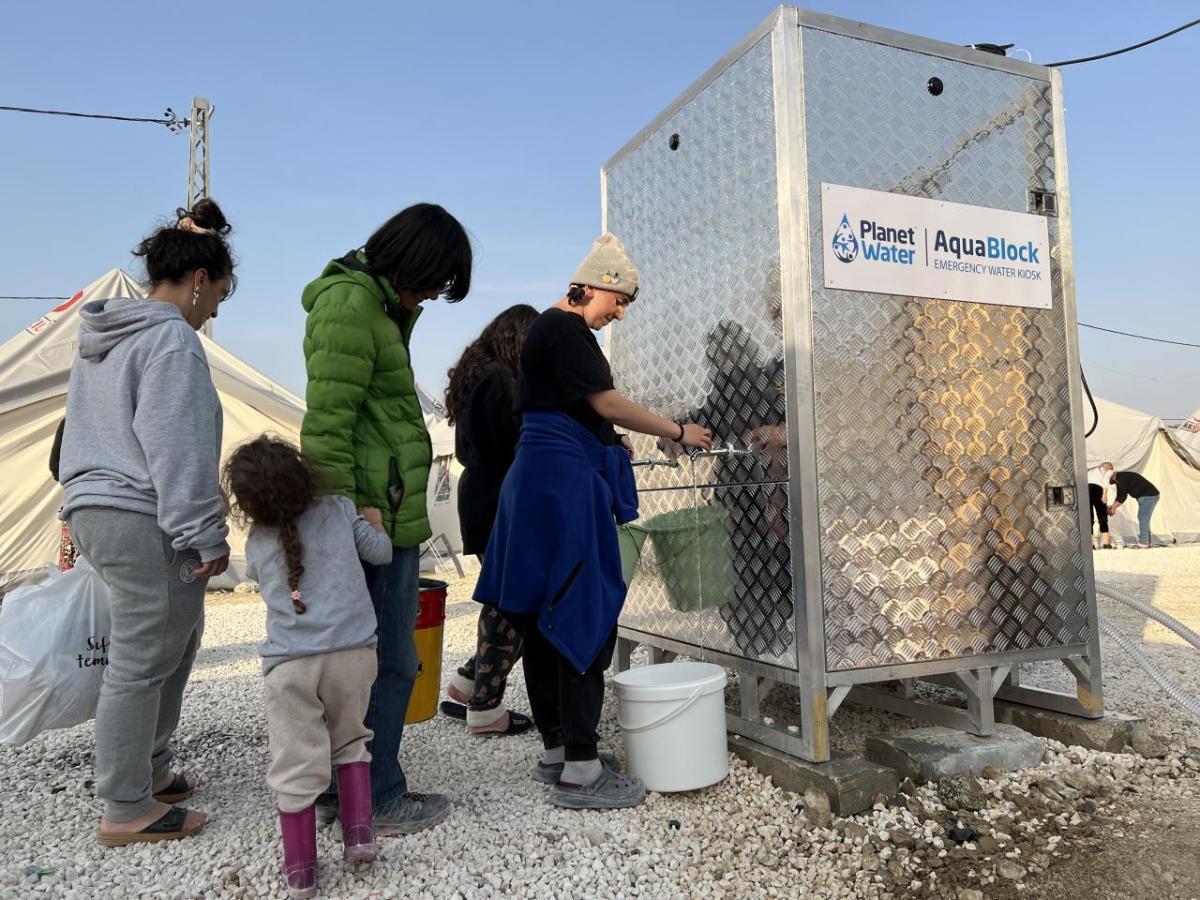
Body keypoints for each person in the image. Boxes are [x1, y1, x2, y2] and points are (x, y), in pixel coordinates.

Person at [475, 234, 712, 810]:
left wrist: (608, 439)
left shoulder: (547, 334)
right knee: (584, 609)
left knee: (537, 611)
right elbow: (605, 401)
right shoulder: (566, 329)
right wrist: (677, 431)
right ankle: (583, 767)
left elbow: (581, 412)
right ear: (595, 285)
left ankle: (560, 749)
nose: (620, 313)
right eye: (620, 300)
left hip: (536, 484)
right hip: (561, 486)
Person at [57, 200, 234, 845]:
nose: (215, 308)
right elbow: (175, 446)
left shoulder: (105, 340)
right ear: (197, 281)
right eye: (219, 292)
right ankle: (126, 805)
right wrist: (205, 535)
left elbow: (85, 432)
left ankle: (150, 769)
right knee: (140, 657)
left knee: (172, 640)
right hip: (142, 510)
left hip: (94, 505)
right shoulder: (171, 341)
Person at [300, 202, 472, 833]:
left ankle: (338, 789)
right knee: (389, 659)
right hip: (371, 519)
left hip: (384, 510)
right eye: (435, 280)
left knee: (355, 660)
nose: (433, 293)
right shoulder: (351, 307)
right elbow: (326, 423)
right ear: (412, 260)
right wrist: (345, 514)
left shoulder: (376, 308)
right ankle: (376, 795)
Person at [224, 437, 392, 898]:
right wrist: (374, 521)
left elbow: (258, 576)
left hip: (290, 666)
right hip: (353, 654)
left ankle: (301, 872)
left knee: (296, 762)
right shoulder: (339, 510)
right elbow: (380, 553)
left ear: (248, 503)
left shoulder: (258, 540)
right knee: (352, 741)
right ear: (304, 474)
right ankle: (359, 838)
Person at [440, 305, 539, 736]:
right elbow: (514, 449)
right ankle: (485, 708)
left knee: (505, 599)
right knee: (512, 605)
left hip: (480, 497)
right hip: (500, 500)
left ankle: (467, 683)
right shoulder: (501, 380)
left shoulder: (477, 374)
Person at [1102, 462, 1160, 549]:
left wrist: (1113, 508)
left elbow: (1122, 496)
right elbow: (1120, 495)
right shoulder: (1121, 477)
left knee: (1143, 518)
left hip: (1149, 496)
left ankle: (1143, 543)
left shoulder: (1120, 478)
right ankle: (1146, 541)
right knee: (1144, 518)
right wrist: (1113, 507)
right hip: (1148, 496)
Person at [1087, 466, 1113, 549]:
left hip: (1085, 489)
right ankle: (1106, 544)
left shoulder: (1090, 469)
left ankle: (1091, 545)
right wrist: (1104, 495)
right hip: (1097, 489)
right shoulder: (1108, 470)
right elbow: (1105, 482)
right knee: (1102, 517)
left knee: (1089, 518)